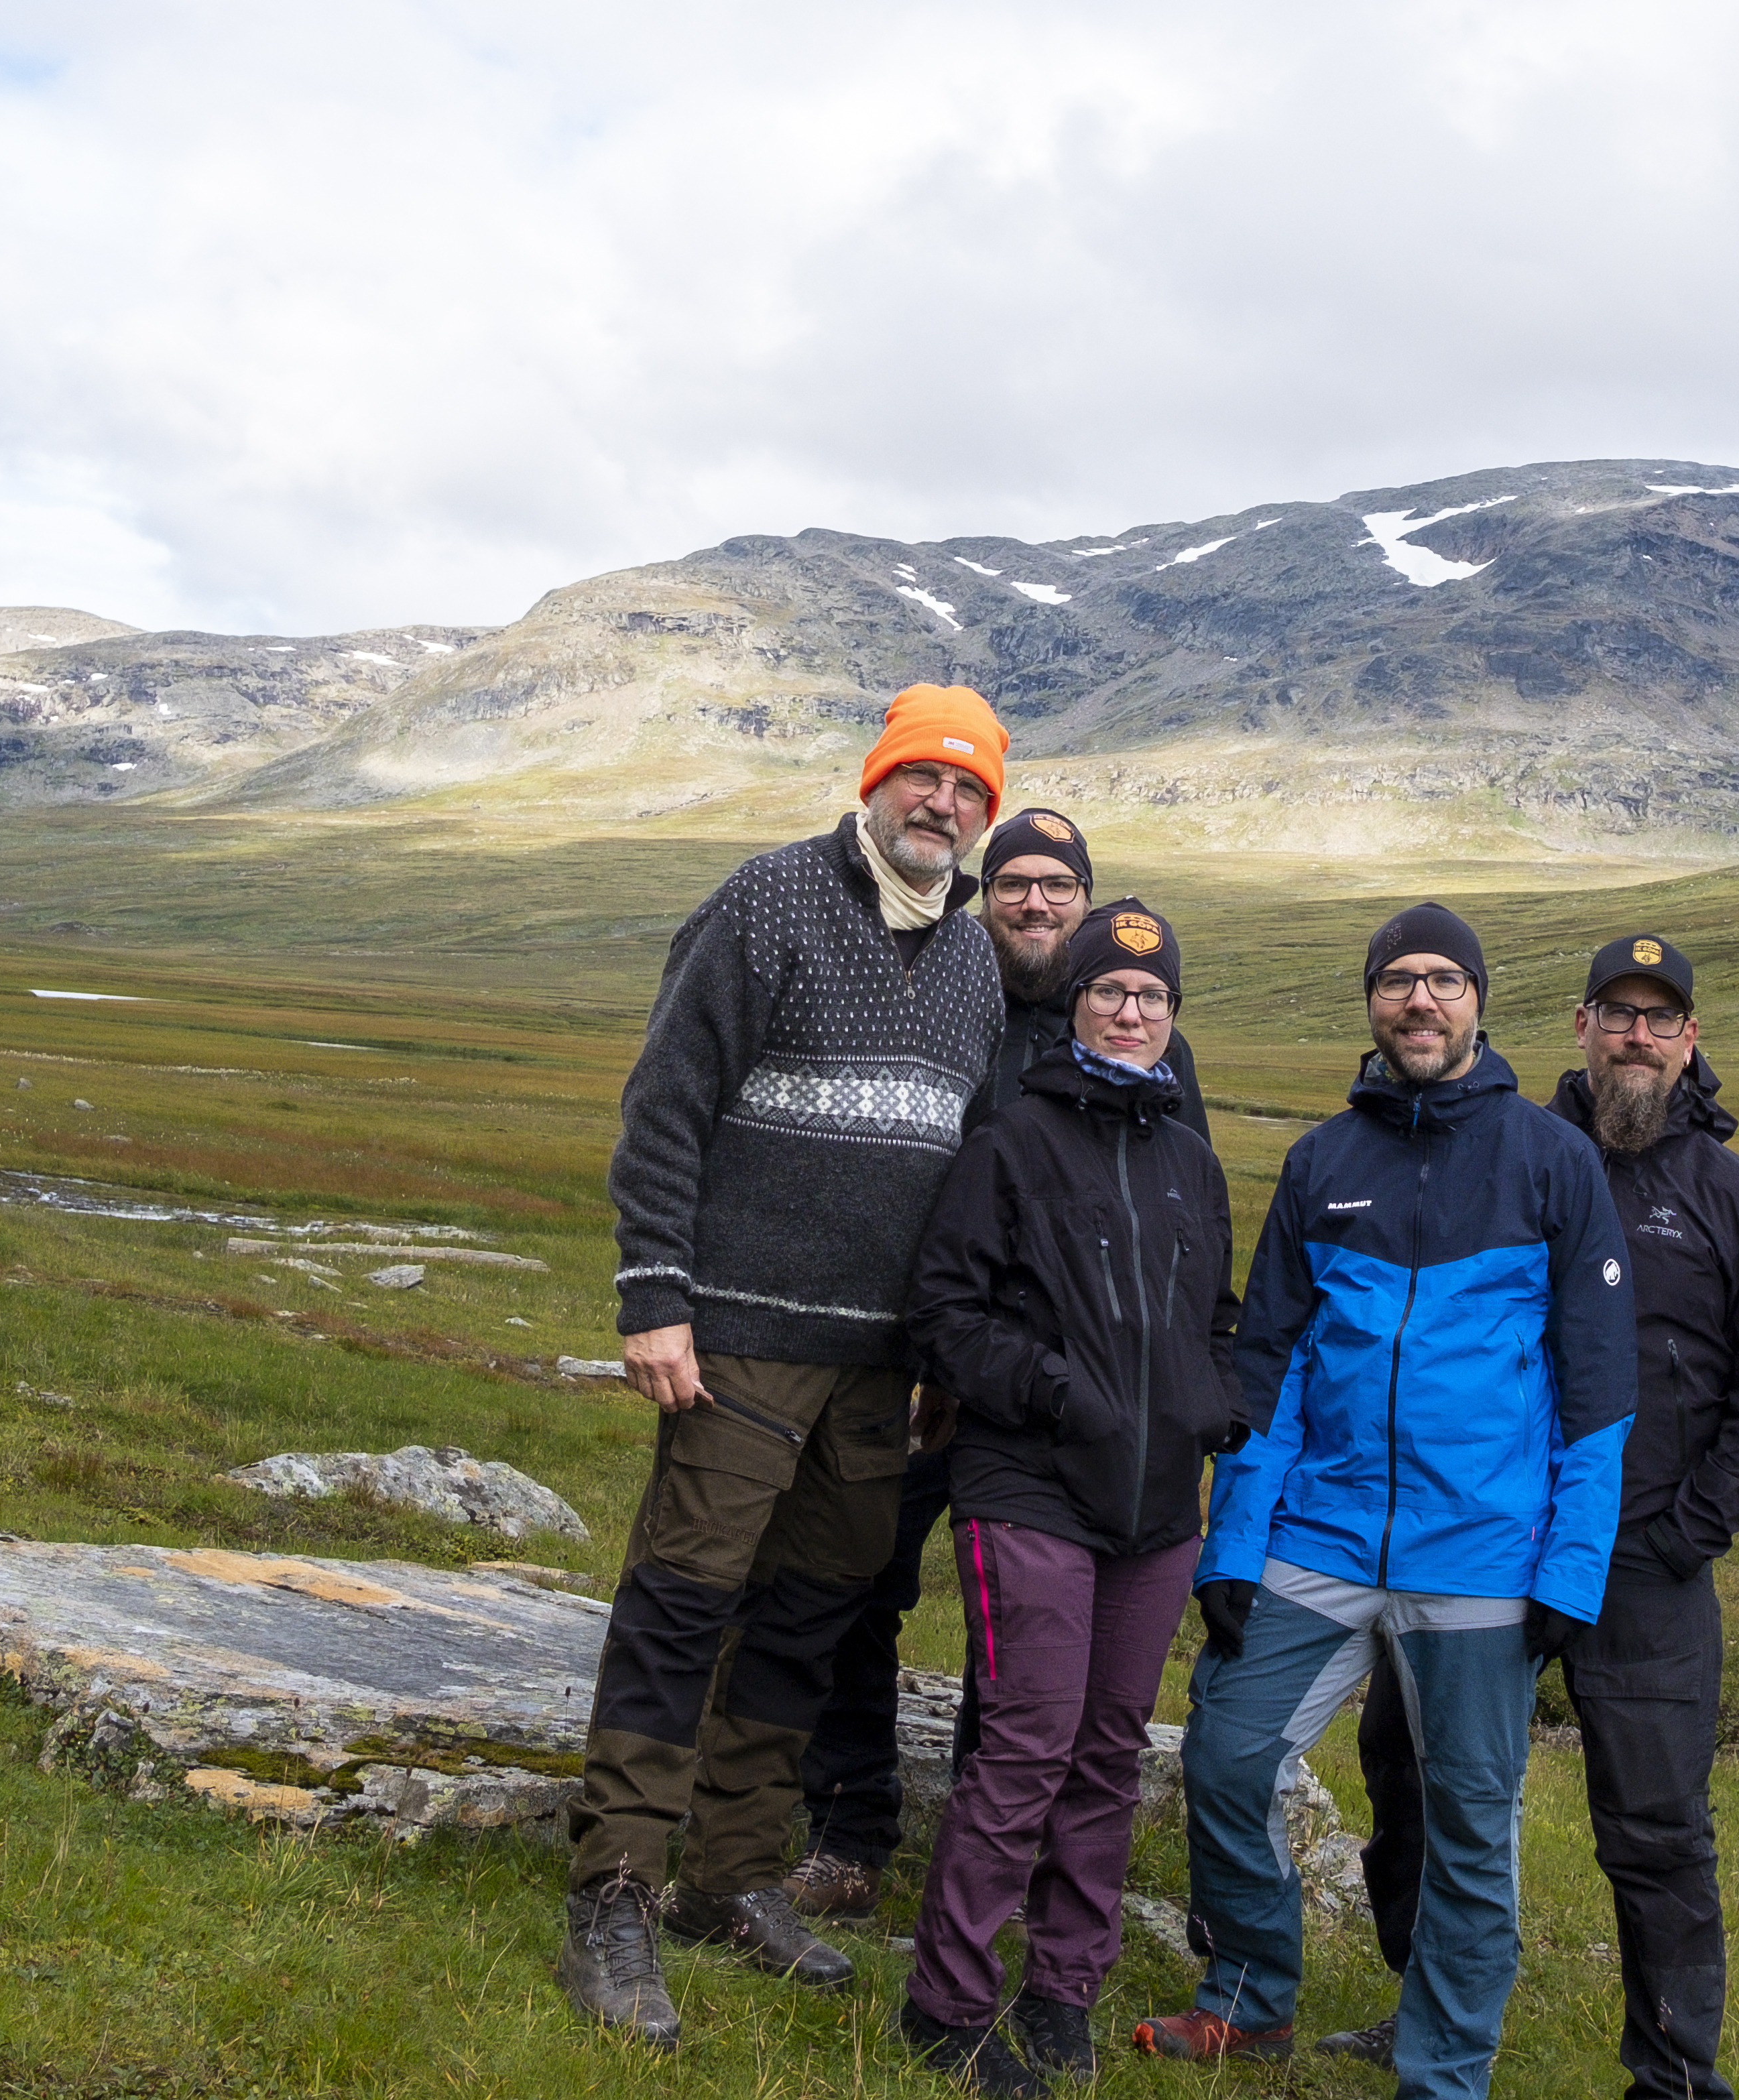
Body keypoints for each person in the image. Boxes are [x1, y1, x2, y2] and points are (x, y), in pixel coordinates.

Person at [556, 683, 1011, 2047]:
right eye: (922, 778)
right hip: (738, 1337)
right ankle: (615, 1888)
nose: (941, 806)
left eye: (968, 790)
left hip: (876, 1371)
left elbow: (962, 1175)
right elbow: (667, 1103)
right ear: (875, 781)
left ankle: (732, 1872)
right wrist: (655, 1298)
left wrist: (941, 1351)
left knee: (808, 1617)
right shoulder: (765, 902)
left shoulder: (979, 963)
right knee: (682, 1603)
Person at [1138, 902, 1637, 2100]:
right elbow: (1270, 1368)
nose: (1420, 1000)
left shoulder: (1553, 1162)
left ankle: (1445, 2072)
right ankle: (1250, 2003)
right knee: (1227, 1756)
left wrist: (1570, 1572)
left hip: (1482, 1556)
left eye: (1444, 981)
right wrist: (1234, 1550)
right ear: (1371, 1000)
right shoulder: (1324, 1163)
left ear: (1479, 1001)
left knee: (1471, 1829)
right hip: (1321, 1535)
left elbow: (1600, 1392)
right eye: (1398, 980)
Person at [1319, 933, 1739, 2099]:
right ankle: (1424, 2011)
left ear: (1691, 1040)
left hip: (1645, 1563)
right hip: (1481, 1548)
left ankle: (1675, 2072)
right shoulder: (1507, 1158)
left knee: (1655, 1822)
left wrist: (1683, 1535)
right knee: (1409, 1771)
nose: (1637, 1035)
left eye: (1661, 1017)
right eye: (1617, 1013)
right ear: (1580, 1027)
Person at [784, 808, 1214, 1920]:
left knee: (1022, 1629)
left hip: (1048, 1410)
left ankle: (1000, 1851)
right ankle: (850, 1827)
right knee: (861, 1578)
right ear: (984, 893)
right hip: (905, 1362)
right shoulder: (944, 997)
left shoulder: (1144, 1040)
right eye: (1014, 881)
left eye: (1058, 886)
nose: (1036, 901)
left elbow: (1184, 1221)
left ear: (1087, 906)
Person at [895, 898, 1246, 2097]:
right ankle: (947, 2005)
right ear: (1076, 1006)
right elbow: (945, 1312)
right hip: (1030, 1486)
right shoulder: (1012, 1142)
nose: (1133, 1010)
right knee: (1029, 1747)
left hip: (1157, 1509)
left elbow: (1216, 1323)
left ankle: (1061, 1993)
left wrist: (1218, 1401)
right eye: (1110, 991)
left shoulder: (1194, 1162)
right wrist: (1055, 1391)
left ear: (1172, 1018)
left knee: (1107, 1754)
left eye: (1153, 997)